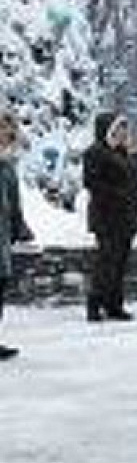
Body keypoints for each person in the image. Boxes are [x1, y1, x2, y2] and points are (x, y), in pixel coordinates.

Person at [83, 112, 137, 323]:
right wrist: (120, 194)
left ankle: (114, 304)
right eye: (119, 129)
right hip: (106, 217)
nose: (123, 133)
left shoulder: (123, 153)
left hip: (126, 217)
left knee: (120, 263)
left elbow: (133, 182)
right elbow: (92, 182)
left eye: (125, 129)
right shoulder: (95, 152)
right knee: (106, 262)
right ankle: (95, 302)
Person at [0, 111, 33, 360]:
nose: (6, 135)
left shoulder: (8, 165)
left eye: (9, 131)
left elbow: (14, 202)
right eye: (3, 129)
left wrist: (20, 227)